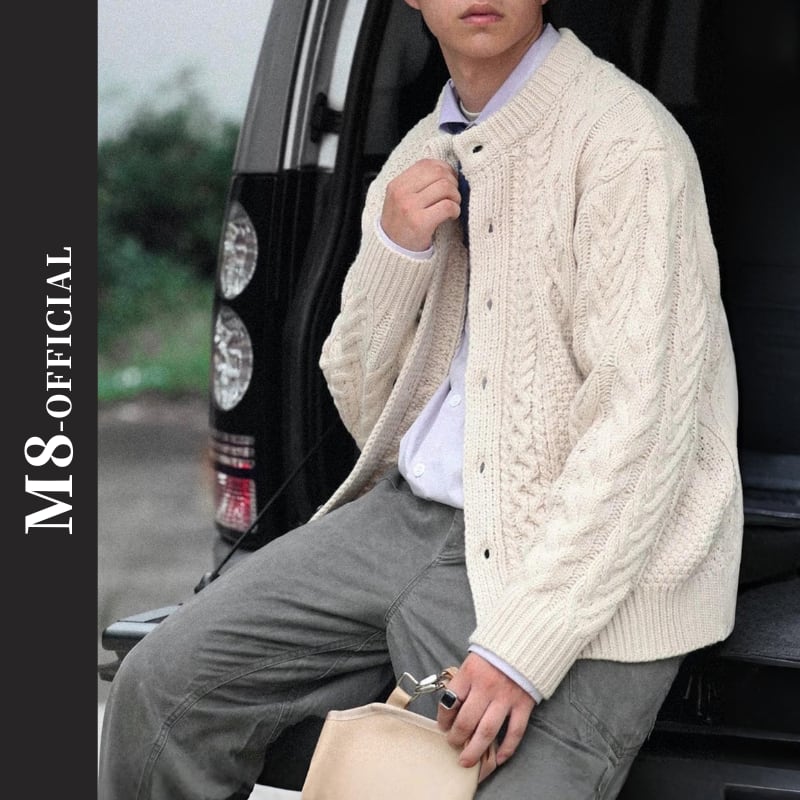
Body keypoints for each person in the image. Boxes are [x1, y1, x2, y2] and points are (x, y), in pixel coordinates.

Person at [98, 1, 743, 797]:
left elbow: (641, 431)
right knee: (159, 693)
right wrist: (394, 252)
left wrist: (520, 650)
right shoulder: (417, 156)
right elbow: (362, 403)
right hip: (409, 520)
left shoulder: (627, 144)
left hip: (591, 546)